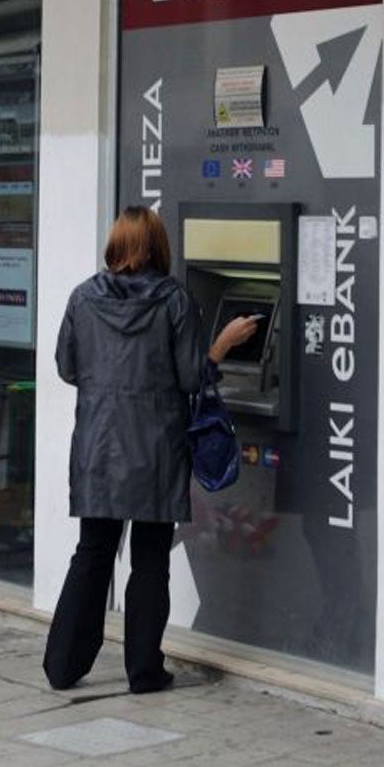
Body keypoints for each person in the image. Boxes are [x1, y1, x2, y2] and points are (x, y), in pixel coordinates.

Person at [43, 206, 258, 693]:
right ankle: (143, 671)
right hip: (156, 447)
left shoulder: (83, 297)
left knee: (92, 552)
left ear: (116, 244)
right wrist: (220, 345)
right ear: (158, 247)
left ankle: (62, 665)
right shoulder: (174, 301)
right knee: (150, 558)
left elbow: (66, 367)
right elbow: (189, 377)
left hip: (98, 446)